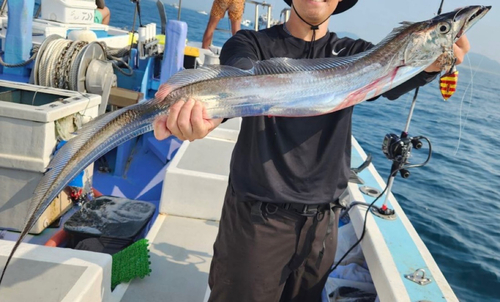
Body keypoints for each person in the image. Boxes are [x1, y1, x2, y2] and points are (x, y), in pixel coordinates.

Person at [153, 0, 470, 301]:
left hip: (324, 227)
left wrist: (434, 63)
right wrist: (208, 113)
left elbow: (395, 77)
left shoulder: (358, 55)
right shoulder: (251, 44)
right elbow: (239, 80)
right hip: (256, 225)